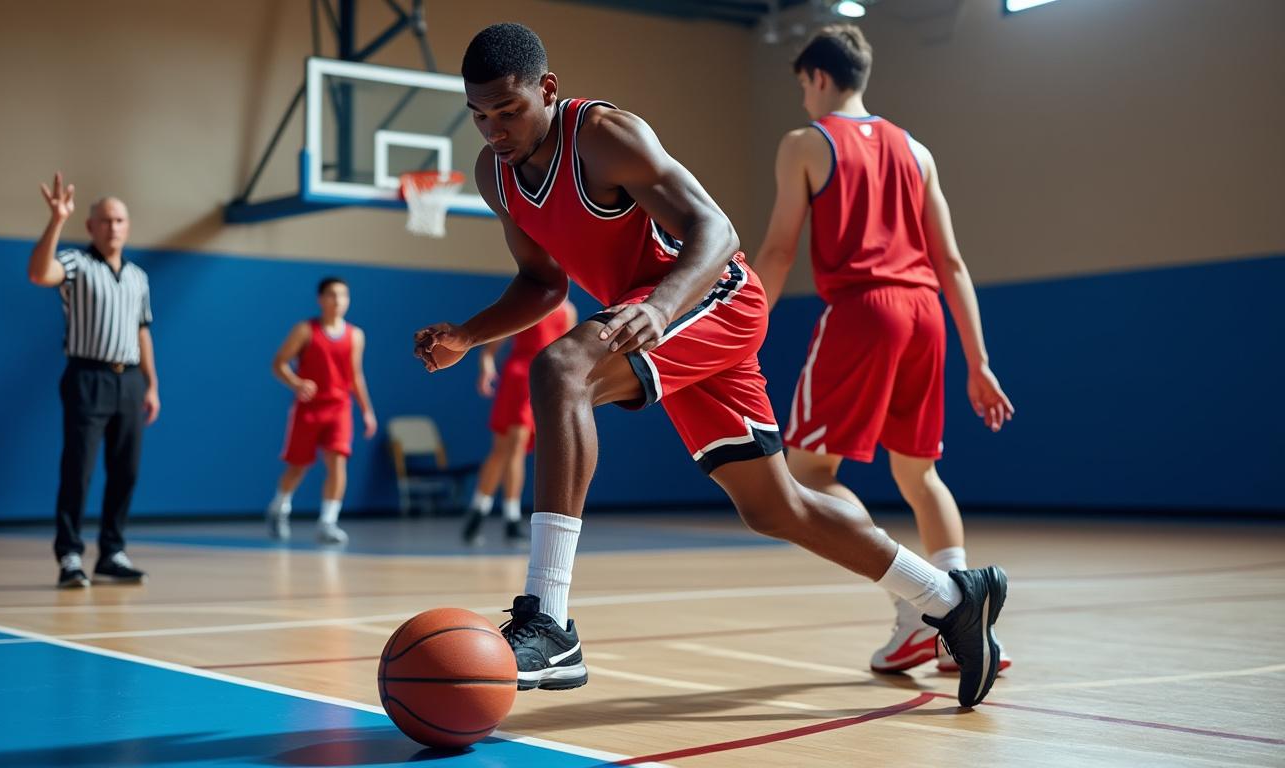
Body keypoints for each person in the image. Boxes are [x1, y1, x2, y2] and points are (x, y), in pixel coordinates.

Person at [413, 23, 1006, 707]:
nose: (494, 128)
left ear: (547, 89)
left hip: (708, 295)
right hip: (656, 316)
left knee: (560, 371)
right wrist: (468, 335)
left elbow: (718, 232)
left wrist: (663, 307)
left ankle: (548, 620)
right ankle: (952, 597)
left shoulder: (605, 135)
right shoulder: (498, 175)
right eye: (480, 115)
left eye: (508, 110)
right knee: (775, 507)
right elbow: (542, 284)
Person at [752, 24, 1016, 675]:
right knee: (919, 475)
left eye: (803, 88)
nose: (804, 102)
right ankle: (960, 624)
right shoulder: (917, 150)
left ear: (816, 77)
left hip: (864, 311)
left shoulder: (805, 144)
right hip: (926, 313)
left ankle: (923, 605)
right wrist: (978, 360)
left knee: (807, 473)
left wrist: (744, 326)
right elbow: (950, 261)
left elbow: (782, 248)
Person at [27, 174, 158, 588]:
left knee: (127, 470)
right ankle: (69, 555)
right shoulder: (76, 263)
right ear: (90, 226)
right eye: (105, 220)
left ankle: (112, 551)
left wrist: (151, 384)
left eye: (119, 220)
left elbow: (142, 332)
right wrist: (56, 220)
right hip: (88, 377)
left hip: (129, 380)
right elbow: (38, 273)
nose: (113, 227)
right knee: (78, 470)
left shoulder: (138, 276)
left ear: (128, 226)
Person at [265, 277, 377, 545]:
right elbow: (279, 363)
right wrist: (296, 382)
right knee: (298, 466)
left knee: (338, 461)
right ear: (321, 299)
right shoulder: (305, 330)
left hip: (339, 407)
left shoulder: (356, 335)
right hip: (309, 409)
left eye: (343, 295)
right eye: (332, 295)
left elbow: (355, 375)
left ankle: (328, 521)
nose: (338, 301)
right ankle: (279, 507)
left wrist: (367, 410)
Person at [462, 299, 577, 547]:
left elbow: (571, 352)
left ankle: (484, 512)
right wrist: (486, 361)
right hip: (519, 378)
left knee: (513, 449)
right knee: (506, 448)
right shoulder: (531, 302)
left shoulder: (568, 311)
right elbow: (495, 340)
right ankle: (498, 515)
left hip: (543, 379)